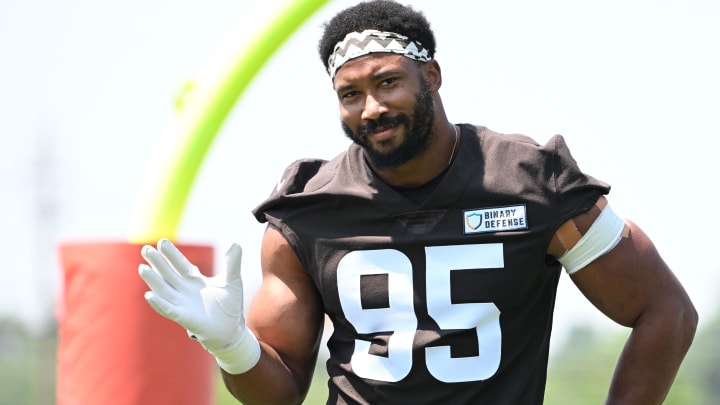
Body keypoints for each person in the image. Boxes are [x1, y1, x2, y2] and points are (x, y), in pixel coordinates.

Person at [138, 1, 698, 403]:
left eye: (387, 83)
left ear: (430, 76)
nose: (371, 108)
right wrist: (233, 345)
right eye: (350, 95)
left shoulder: (529, 182)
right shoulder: (309, 211)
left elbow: (665, 311)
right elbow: (278, 391)